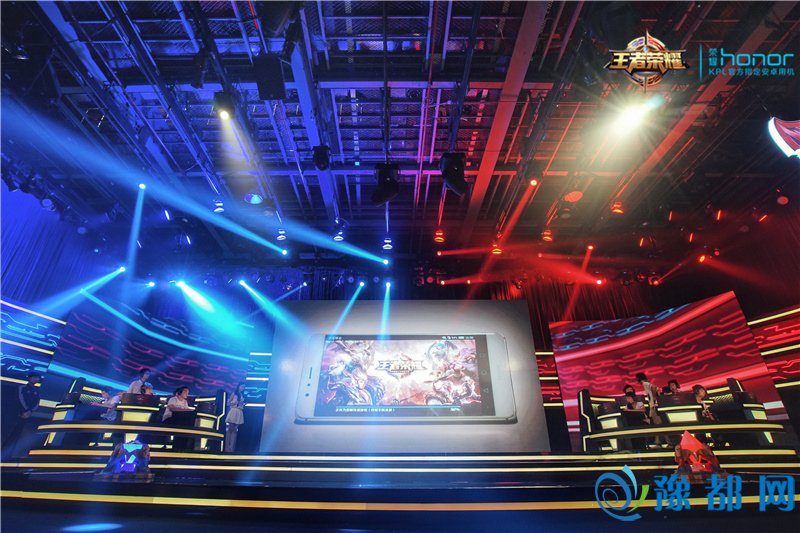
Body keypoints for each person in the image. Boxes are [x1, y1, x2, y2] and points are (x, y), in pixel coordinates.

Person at [2, 372, 41, 458]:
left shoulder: (37, 391)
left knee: (17, 435)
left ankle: (9, 455)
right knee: (8, 433)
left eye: (37, 378)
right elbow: (20, 398)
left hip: (27, 415)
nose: (36, 379)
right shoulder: (22, 388)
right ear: (29, 378)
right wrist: (26, 410)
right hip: (17, 414)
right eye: (34, 377)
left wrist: (30, 411)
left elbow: (37, 403)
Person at [163, 386, 194, 451]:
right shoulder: (173, 399)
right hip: (169, 419)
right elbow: (172, 409)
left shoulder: (185, 402)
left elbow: (187, 411)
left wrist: (187, 410)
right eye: (185, 392)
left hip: (180, 420)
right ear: (180, 392)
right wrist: (186, 410)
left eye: (188, 392)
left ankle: (183, 447)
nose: (187, 394)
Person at [224, 382, 246, 453]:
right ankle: (227, 448)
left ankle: (232, 448)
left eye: (244, 387)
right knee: (230, 429)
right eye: (242, 386)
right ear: (239, 386)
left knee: (235, 430)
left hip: (239, 411)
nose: (243, 388)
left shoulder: (242, 395)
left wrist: (242, 404)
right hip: (234, 411)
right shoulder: (234, 393)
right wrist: (236, 403)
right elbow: (228, 403)